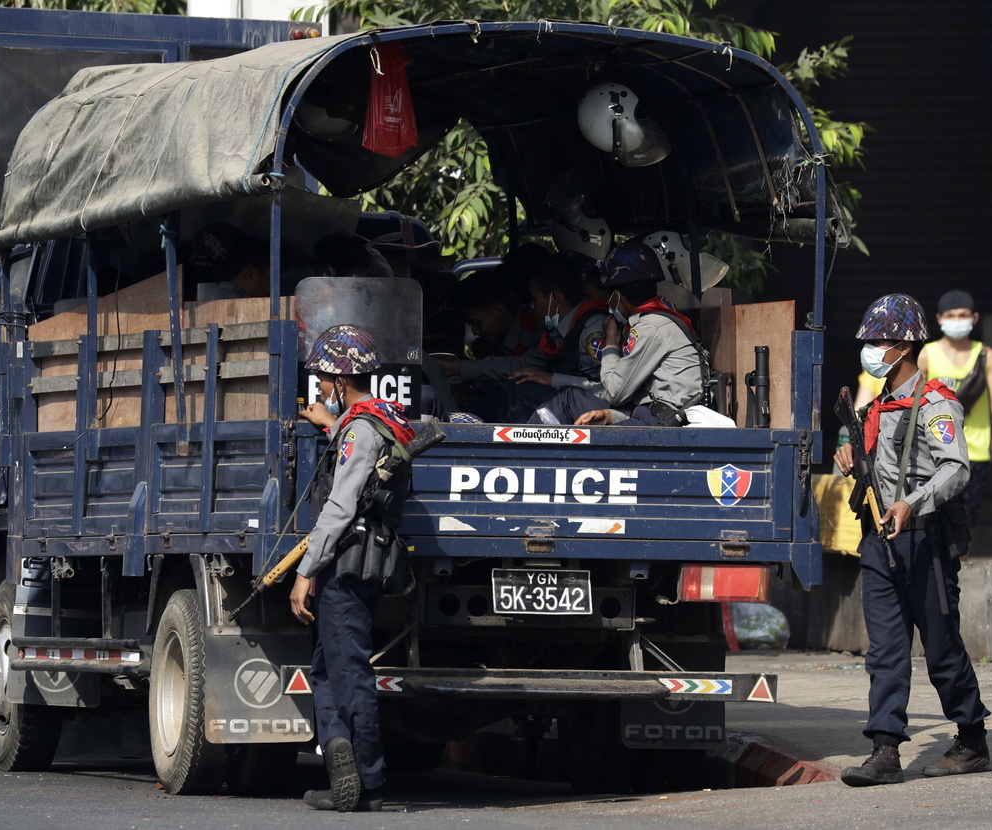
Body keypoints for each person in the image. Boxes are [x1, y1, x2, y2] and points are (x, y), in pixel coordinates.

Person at [834, 293, 990, 787]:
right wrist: (850, 460)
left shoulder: (936, 403)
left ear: (904, 346)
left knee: (942, 648)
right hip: (880, 543)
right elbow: (878, 470)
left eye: (879, 340)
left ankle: (972, 739)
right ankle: (885, 749)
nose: (871, 349)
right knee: (885, 651)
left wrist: (912, 503)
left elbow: (956, 468)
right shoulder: (877, 405)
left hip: (926, 541)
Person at [290, 324, 416, 813]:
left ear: (342, 381)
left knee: (348, 673)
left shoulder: (361, 429)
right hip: (362, 562)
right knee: (325, 671)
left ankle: (369, 783)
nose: (319, 386)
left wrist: (305, 571)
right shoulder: (371, 420)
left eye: (324, 378)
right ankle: (341, 761)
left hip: (344, 566)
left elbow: (341, 507)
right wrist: (329, 422)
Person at [529, 239, 708, 427]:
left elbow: (615, 392)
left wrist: (611, 344)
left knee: (572, 407)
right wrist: (611, 416)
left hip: (666, 422)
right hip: (651, 414)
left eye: (608, 296)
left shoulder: (651, 326)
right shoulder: (656, 320)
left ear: (616, 297)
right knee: (567, 399)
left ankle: (519, 454)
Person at [433, 252, 608, 422]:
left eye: (533, 298)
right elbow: (522, 365)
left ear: (554, 298)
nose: (530, 306)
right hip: (571, 403)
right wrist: (460, 367)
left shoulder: (591, 330)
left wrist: (552, 379)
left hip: (594, 410)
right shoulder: (556, 332)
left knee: (522, 390)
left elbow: (607, 389)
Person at [918, 289, 992, 525]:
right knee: (935, 519)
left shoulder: (986, 355)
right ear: (939, 318)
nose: (957, 320)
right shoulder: (926, 355)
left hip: (975, 451)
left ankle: (960, 562)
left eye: (963, 315)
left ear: (975, 318)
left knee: (966, 521)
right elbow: (915, 405)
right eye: (950, 315)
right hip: (936, 450)